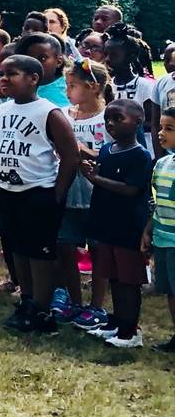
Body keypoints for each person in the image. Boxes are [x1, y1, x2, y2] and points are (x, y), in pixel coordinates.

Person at [0, 51, 77, 333]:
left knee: (39, 254)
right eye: (2, 74)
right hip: (7, 189)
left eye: (11, 74)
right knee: (17, 249)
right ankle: (26, 299)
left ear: (33, 79)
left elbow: (70, 155)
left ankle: (42, 308)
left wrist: (57, 193)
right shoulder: (2, 109)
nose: (4, 79)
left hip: (37, 191)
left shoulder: (48, 112)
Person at [82, 99, 151, 349]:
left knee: (128, 280)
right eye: (107, 119)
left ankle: (130, 331)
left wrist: (96, 178)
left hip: (128, 227)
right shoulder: (106, 150)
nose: (111, 124)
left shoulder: (140, 155)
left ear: (138, 122)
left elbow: (131, 189)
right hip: (105, 223)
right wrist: (93, 173)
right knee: (112, 275)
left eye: (118, 119)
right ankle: (117, 321)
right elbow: (101, 180)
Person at [57, 59, 112, 331]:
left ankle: (97, 305)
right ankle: (74, 300)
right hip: (69, 192)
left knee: (99, 250)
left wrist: (81, 150)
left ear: (92, 87)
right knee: (66, 247)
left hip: (97, 195)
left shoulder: (109, 118)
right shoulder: (65, 116)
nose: (68, 91)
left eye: (73, 86)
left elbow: (113, 154)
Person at [145, 114, 175, 353]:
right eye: (161, 127)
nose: (161, 133)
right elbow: (157, 203)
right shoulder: (162, 164)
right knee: (169, 291)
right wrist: (148, 231)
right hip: (163, 238)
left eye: (170, 129)